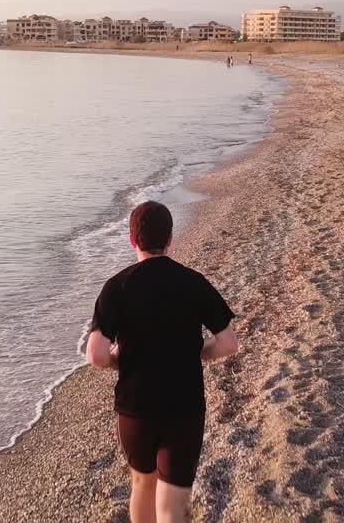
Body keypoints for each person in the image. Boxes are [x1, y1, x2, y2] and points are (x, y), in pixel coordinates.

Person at [86, 201, 239, 523]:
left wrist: (121, 359)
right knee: (173, 505)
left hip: (135, 407)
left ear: (132, 241)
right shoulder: (193, 282)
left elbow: (96, 355)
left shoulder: (117, 287)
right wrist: (194, 352)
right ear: (170, 239)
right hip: (184, 405)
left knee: (142, 483)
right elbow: (228, 343)